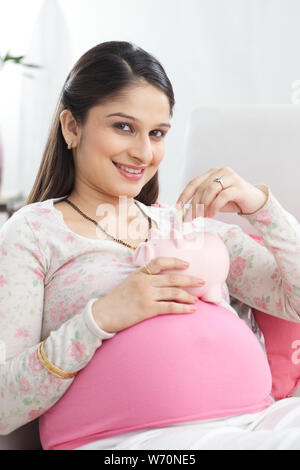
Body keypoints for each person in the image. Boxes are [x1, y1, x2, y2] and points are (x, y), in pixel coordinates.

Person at [0, 41, 300, 451]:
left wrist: (262, 207)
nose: (143, 152)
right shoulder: (34, 231)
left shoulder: (186, 223)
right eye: (123, 126)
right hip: (138, 442)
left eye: (157, 133)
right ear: (72, 127)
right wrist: (101, 318)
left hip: (257, 421)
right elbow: (4, 406)